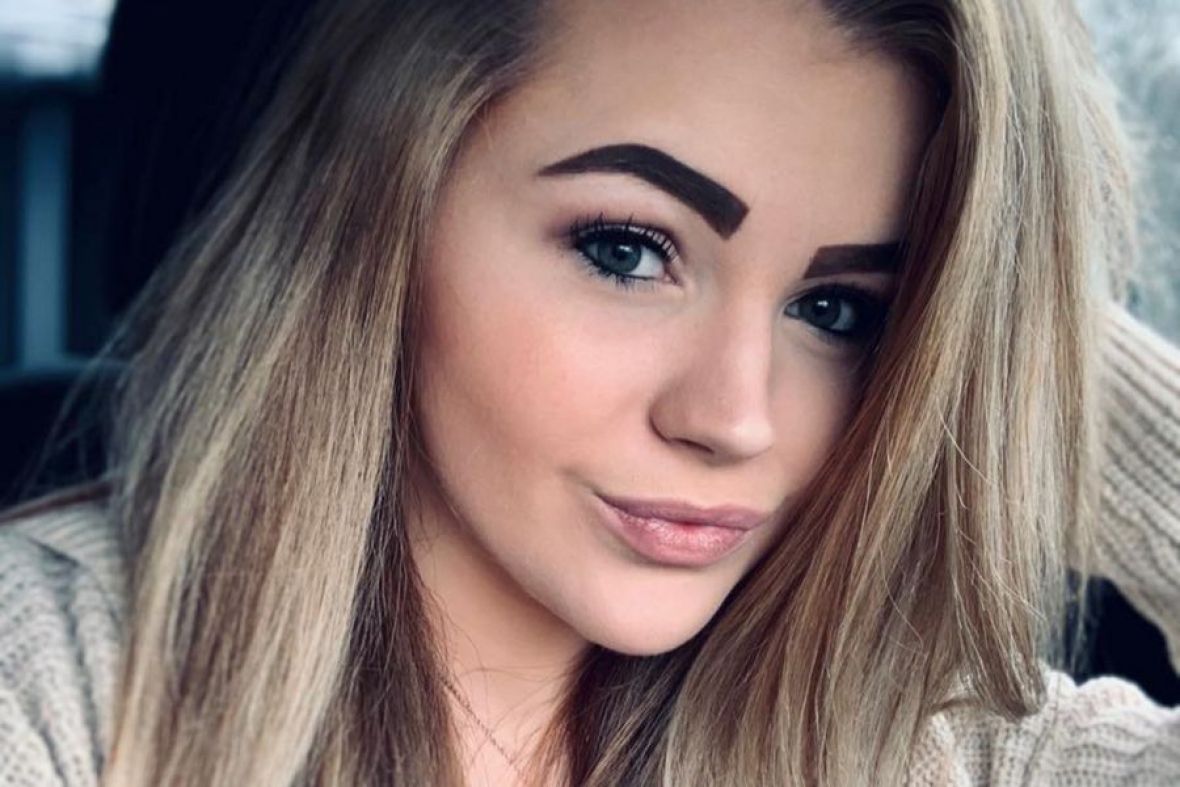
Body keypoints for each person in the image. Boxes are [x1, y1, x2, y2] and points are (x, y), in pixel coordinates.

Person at [1, 0, 1178, 784]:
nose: (732, 418)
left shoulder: (915, 745)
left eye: (839, 310)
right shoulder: (56, 681)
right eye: (626, 249)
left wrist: (996, 322)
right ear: (377, 210)